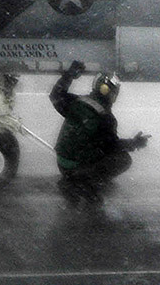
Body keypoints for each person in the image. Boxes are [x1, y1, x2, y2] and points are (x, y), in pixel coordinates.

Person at [50, 60, 148, 206]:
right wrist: (134, 143)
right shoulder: (106, 117)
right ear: (111, 93)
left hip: (62, 163)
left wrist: (69, 75)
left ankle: (74, 178)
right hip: (77, 166)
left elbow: (56, 95)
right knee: (123, 159)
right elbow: (112, 146)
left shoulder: (77, 101)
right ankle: (82, 183)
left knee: (95, 148)